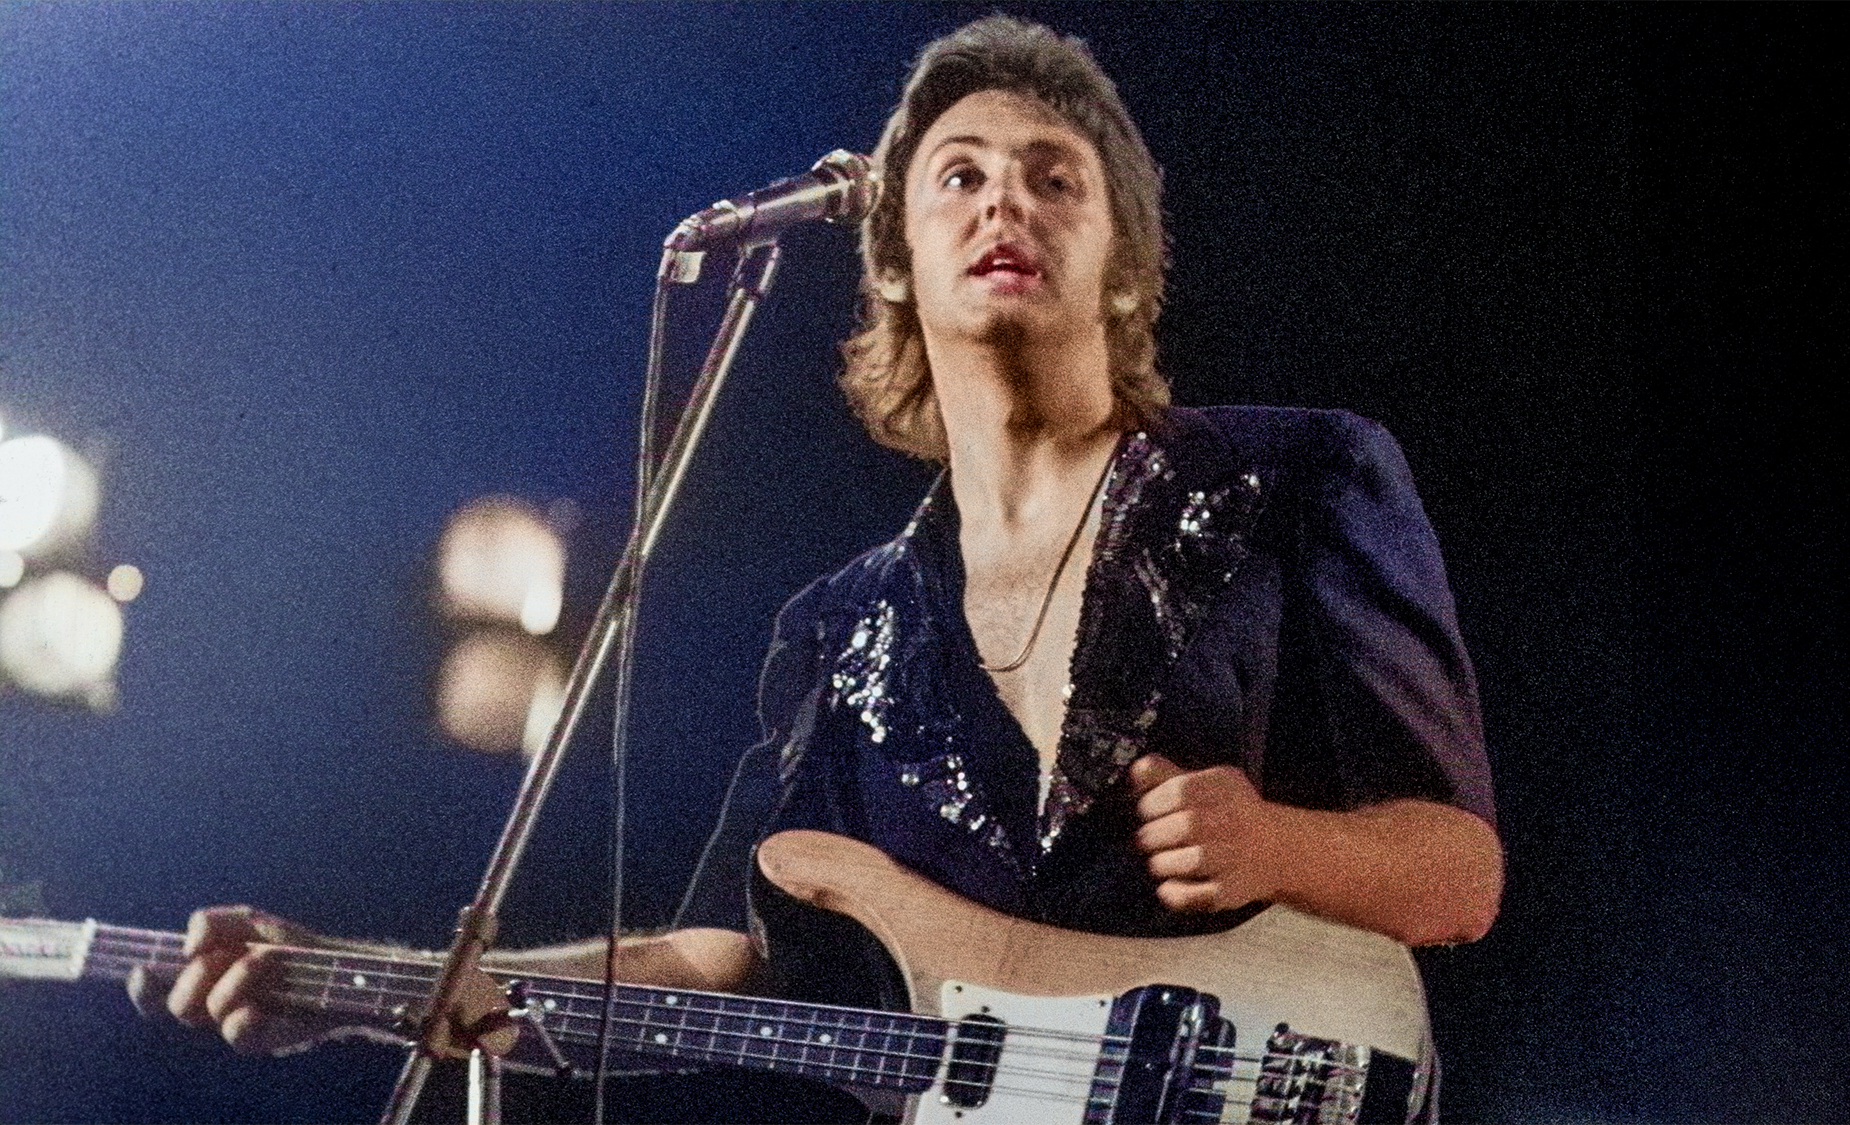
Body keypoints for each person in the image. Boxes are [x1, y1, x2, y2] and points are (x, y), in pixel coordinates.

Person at [136, 14, 1501, 1118]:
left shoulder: (1302, 479)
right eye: (958, 172)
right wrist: (375, 980)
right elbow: (717, 957)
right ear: (897, 258)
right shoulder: (841, 629)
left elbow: (1460, 873)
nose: (1001, 199)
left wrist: (1274, 841)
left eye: (1052, 172)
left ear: (1125, 268)